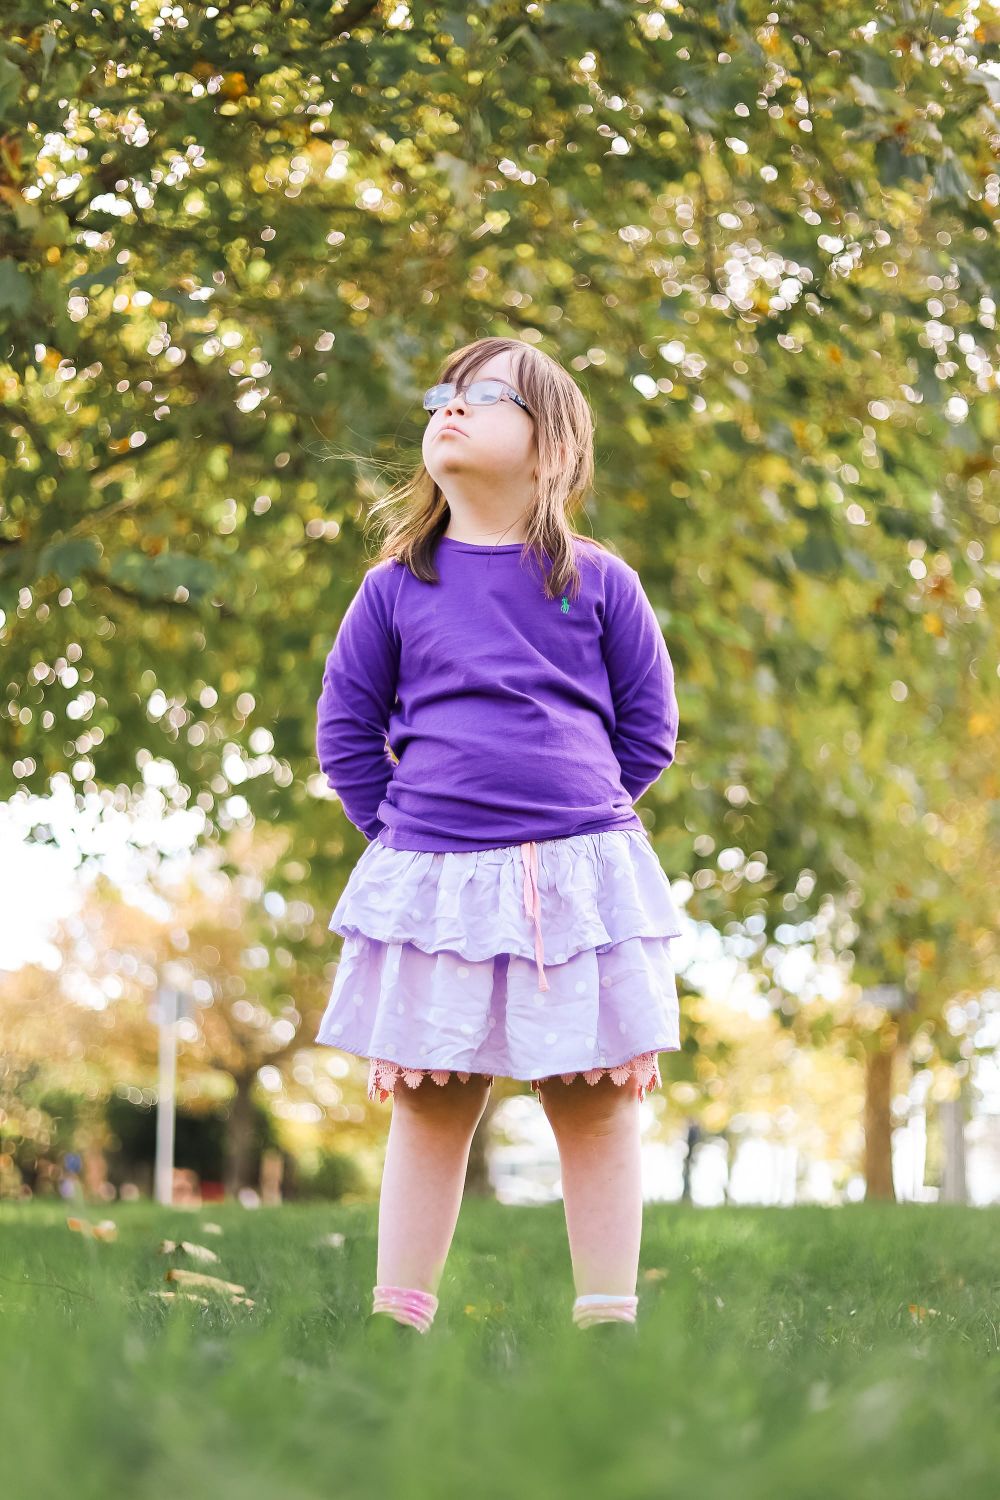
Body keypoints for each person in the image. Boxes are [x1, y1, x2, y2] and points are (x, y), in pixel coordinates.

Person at [314, 336, 683, 1341]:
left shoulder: (600, 582)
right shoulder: (395, 587)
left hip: (578, 875)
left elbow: (648, 729)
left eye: (486, 396)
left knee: (595, 1100)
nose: (451, 408)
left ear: (551, 448)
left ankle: (607, 1322)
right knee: (432, 1099)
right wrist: (400, 834)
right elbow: (346, 730)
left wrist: (576, 813)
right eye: (445, 393)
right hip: (436, 876)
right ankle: (399, 1320)